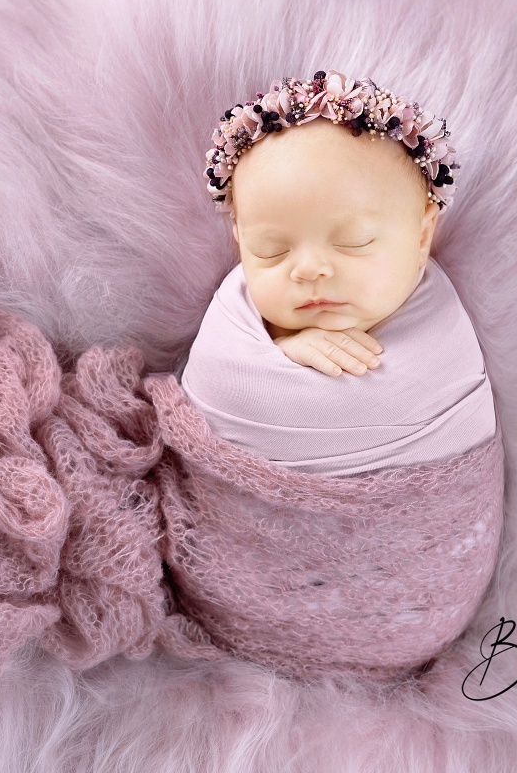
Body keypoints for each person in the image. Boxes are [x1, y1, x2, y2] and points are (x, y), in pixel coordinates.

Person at [180, 69, 496, 476]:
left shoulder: (444, 340)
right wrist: (282, 351)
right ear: (240, 241)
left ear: (422, 236)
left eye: (355, 242)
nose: (309, 270)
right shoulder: (233, 325)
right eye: (270, 250)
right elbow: (223, 385)